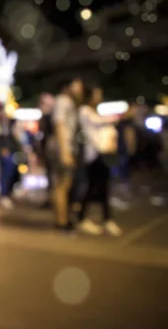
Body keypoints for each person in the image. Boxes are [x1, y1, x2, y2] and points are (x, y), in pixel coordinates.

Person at [77, 85, 122, 236]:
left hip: (101, 155)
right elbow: (100, 122)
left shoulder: (92, 112)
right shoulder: (85, 111)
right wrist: (120, 116)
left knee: (102, 188)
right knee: (94, 187)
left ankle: (106, 219)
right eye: (97, 94)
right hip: (95, 156)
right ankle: (84, 217)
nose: (99, 98)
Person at [47, 77, 84, 232]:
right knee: (61, 185)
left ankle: (62, 219)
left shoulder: (69, 103)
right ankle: (61, 221)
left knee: (63, 185)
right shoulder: (63, 101)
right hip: (61, 148)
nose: (80, 89)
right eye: (77, 85)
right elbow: (59, 124)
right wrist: (64, 151)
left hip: (64, 147)